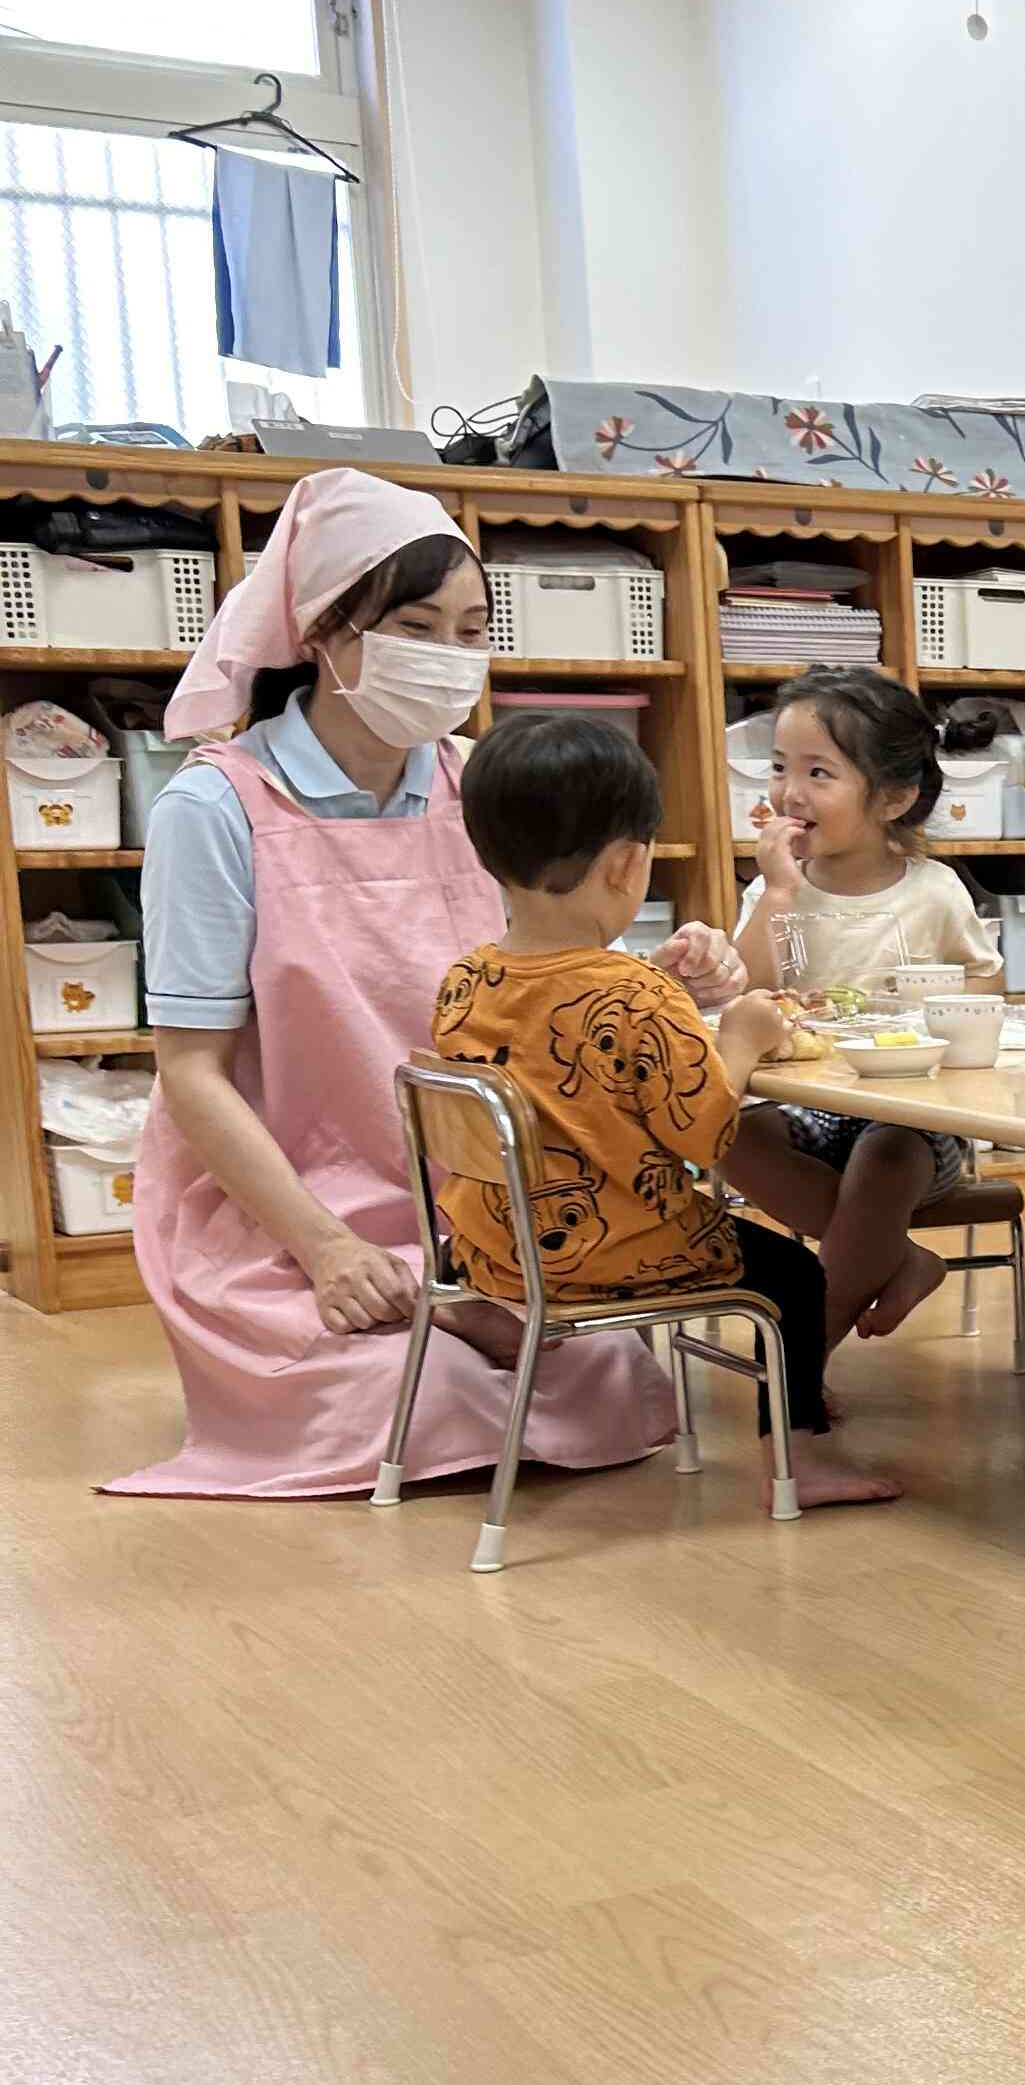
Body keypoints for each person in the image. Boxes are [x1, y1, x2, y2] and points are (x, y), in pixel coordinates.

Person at [108, 467, 704, 1502]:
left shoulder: (483, 782)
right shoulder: (216, 808)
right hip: (286, 1213)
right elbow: (191, 1074)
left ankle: (461, 1305)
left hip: (468, 1201)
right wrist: (328, 1250)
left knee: (615, 1388)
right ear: (325, 632)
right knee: (425, 1409)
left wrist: (659, 975)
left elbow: (542, 979)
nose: (450, 658)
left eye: (472, 629)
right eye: (417, 626)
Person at [431, 712, 895, 1511]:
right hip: (613, 1247)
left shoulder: (468, 979)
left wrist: (664, 987)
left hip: (494, 1245)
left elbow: (564, 1048)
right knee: (790, 1274)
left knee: (767, 1260)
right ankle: (797, 1457)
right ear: (626, 863)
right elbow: (707, 1135)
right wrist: (743, 1038)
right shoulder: (635, 996)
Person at [729, 667, 1000, 1348]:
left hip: (914, 1120)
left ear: (894, 797)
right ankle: (900, 1259)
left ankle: (803, 1356)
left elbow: (986, 993)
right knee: (727, 1134)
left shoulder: (933, 892)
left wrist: (931, 1013)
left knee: (885, 1153)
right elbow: (745, 994)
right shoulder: (776, 892)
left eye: (820, 773)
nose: (791, 792)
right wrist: (777, 895)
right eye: (780, 767)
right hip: (807, 1106)